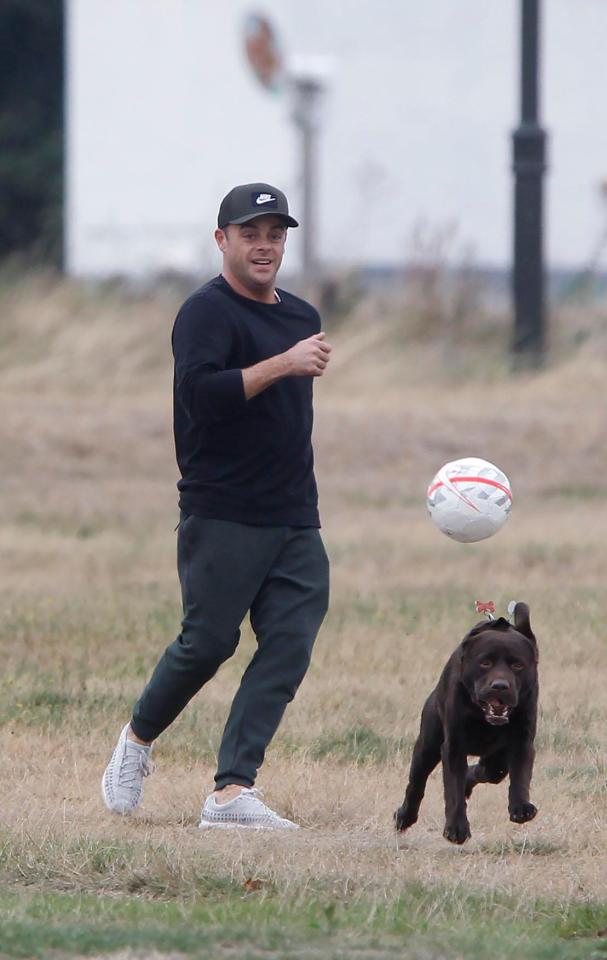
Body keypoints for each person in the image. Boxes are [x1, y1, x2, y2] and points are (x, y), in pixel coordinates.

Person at [102, 182, 331, 829]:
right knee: (207, 643)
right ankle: (137, 742)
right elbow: (202, 397)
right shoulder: (206, 313)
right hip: (223, 509)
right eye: (251, 233)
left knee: (289, 643)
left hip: (294, 512)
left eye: (275, 234)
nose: (264, 246)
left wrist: (291, 360)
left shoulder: (301, 316)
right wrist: (282, 364)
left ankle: (231, 793)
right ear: (222, 240)